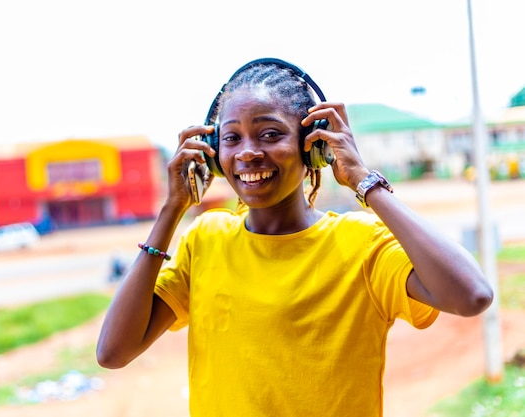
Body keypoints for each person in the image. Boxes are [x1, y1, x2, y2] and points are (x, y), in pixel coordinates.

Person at [96, 58, 493, 416]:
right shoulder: (206, 240)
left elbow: (471, 294)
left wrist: (363, 181)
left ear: (314, 148)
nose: (248, 153)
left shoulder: (361, 243)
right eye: (232, 138)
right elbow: (113, 352)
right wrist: (171, 210)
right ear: (215, 155)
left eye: (270, 134)